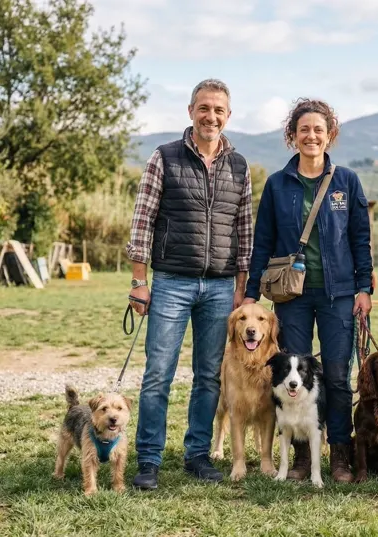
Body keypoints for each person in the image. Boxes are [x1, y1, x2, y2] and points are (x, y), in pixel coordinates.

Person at [125, 79, 253, 488]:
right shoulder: (164, 157)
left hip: (220, 286)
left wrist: (241, 287)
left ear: (228, 116)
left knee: (209, 376)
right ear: (191, 111)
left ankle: (197, 454)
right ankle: (149, 459)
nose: (210, 116)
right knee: (158, 374)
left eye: (218, 110)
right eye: (204, 108)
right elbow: (142, 221)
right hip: (171, 282)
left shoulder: (239, 166)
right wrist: (139, 281)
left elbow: (244, 231)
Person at [243, 98, 373, 484]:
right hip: (291, 297)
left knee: (336, 375)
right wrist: (251, 293)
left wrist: (363, 287)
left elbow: (360, 238)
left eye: (318, 129)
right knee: (291, 375)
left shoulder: (346, 181)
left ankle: (339, 453)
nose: (311, 136)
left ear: (330, 135)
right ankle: (301, 455)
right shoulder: (277, 184)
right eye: (304, 129)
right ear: (292, 135)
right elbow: (262, 242)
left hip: (339, 294)